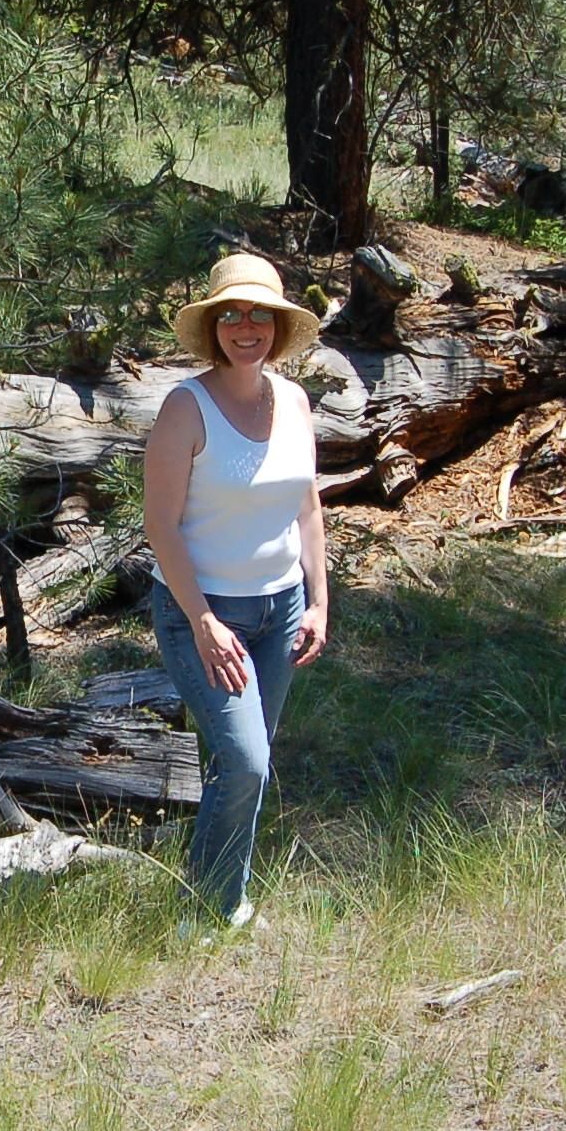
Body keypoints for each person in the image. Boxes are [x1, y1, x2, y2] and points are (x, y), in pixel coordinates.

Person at [141, 252, 329, 929]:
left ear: (277, 327)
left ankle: (222, 895)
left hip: (280, 611)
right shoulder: (185, 408)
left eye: (258, 315)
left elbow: (307, 507)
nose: (244, 327)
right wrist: (202, 621)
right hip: (203, 612)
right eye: (230, 315)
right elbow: (159, 526)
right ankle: (210, 908)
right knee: (244, 759)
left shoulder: (297, 403)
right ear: (214, 327)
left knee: (248, 760)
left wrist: (317, 601)